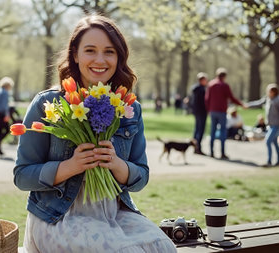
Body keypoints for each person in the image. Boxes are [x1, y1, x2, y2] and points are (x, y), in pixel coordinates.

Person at [14, 15, 176, 253]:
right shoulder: (47, 104)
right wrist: (71, 166)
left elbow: (141, 176)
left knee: (164, 248)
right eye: (90, 50)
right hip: (57, 217)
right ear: (76, 55)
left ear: (119, 57)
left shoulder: (129, 109)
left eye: (109, 52)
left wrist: (116, 164)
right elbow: (22, 176)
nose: (100, 60)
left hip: (113, 214)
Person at [205, 67, 246, 159]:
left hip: (213, 111)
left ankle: (211, 152)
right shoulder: (224, 85)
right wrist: (241, 104)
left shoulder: (211, 84)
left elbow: (207, 99)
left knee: (213, 131)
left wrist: (208, 110)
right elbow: (231, 98)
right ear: (224, 76)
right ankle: (222, 153)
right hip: (222, 112)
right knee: (223, 131)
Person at [248, 83, 279, 167]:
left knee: (268, 141)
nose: (267, 92)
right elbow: (258, 103)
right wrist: (248, 105)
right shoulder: (268, 99)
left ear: (274, 92)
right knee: (275, 143)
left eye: (269, 91)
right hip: (270, 125)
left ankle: (269, 161)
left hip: (276, 125)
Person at [0, 77, 14, 155]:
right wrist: (7, 115)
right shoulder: (5, 92)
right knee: (8, 129)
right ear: (7, 86)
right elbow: (5, 105)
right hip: (2, 114)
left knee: (0, 130)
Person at [190, 72, 208, 155]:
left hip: (196, 111)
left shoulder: (195, 89)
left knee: (197, 129)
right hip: (202, 111)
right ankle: (198, 147)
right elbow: (204, 102)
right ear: (202, 80)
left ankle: (194, 146)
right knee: (200, 130)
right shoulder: (201, 90)